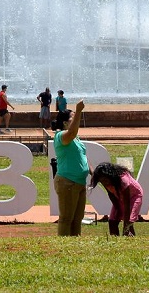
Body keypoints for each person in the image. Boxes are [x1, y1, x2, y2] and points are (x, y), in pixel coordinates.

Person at [52, 99, 87, 236]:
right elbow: (71, 133)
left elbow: (82, 157)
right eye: (72, 118)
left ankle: (74, 246)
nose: (77, 119)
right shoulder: (61, 136)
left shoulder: (76, 139)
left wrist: (92, 171)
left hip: (79, 182)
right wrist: (78, 111)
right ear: (66, 123)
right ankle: (63, 246)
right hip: (67, 182)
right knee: (66, 219)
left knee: (77, 219)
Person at [90, 162, 144, 236]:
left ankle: (130, 241)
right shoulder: (104, 180)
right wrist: (117, 208)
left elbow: (127, 204)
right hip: (119, 196)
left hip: (134, 196)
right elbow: (111, 194)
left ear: (110, 176)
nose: (104, 183)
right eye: (101, 180)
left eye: (105, 180)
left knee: (128, 222)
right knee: (112, 221)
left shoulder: (123, 181)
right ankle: (115, 241)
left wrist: (125, 228)